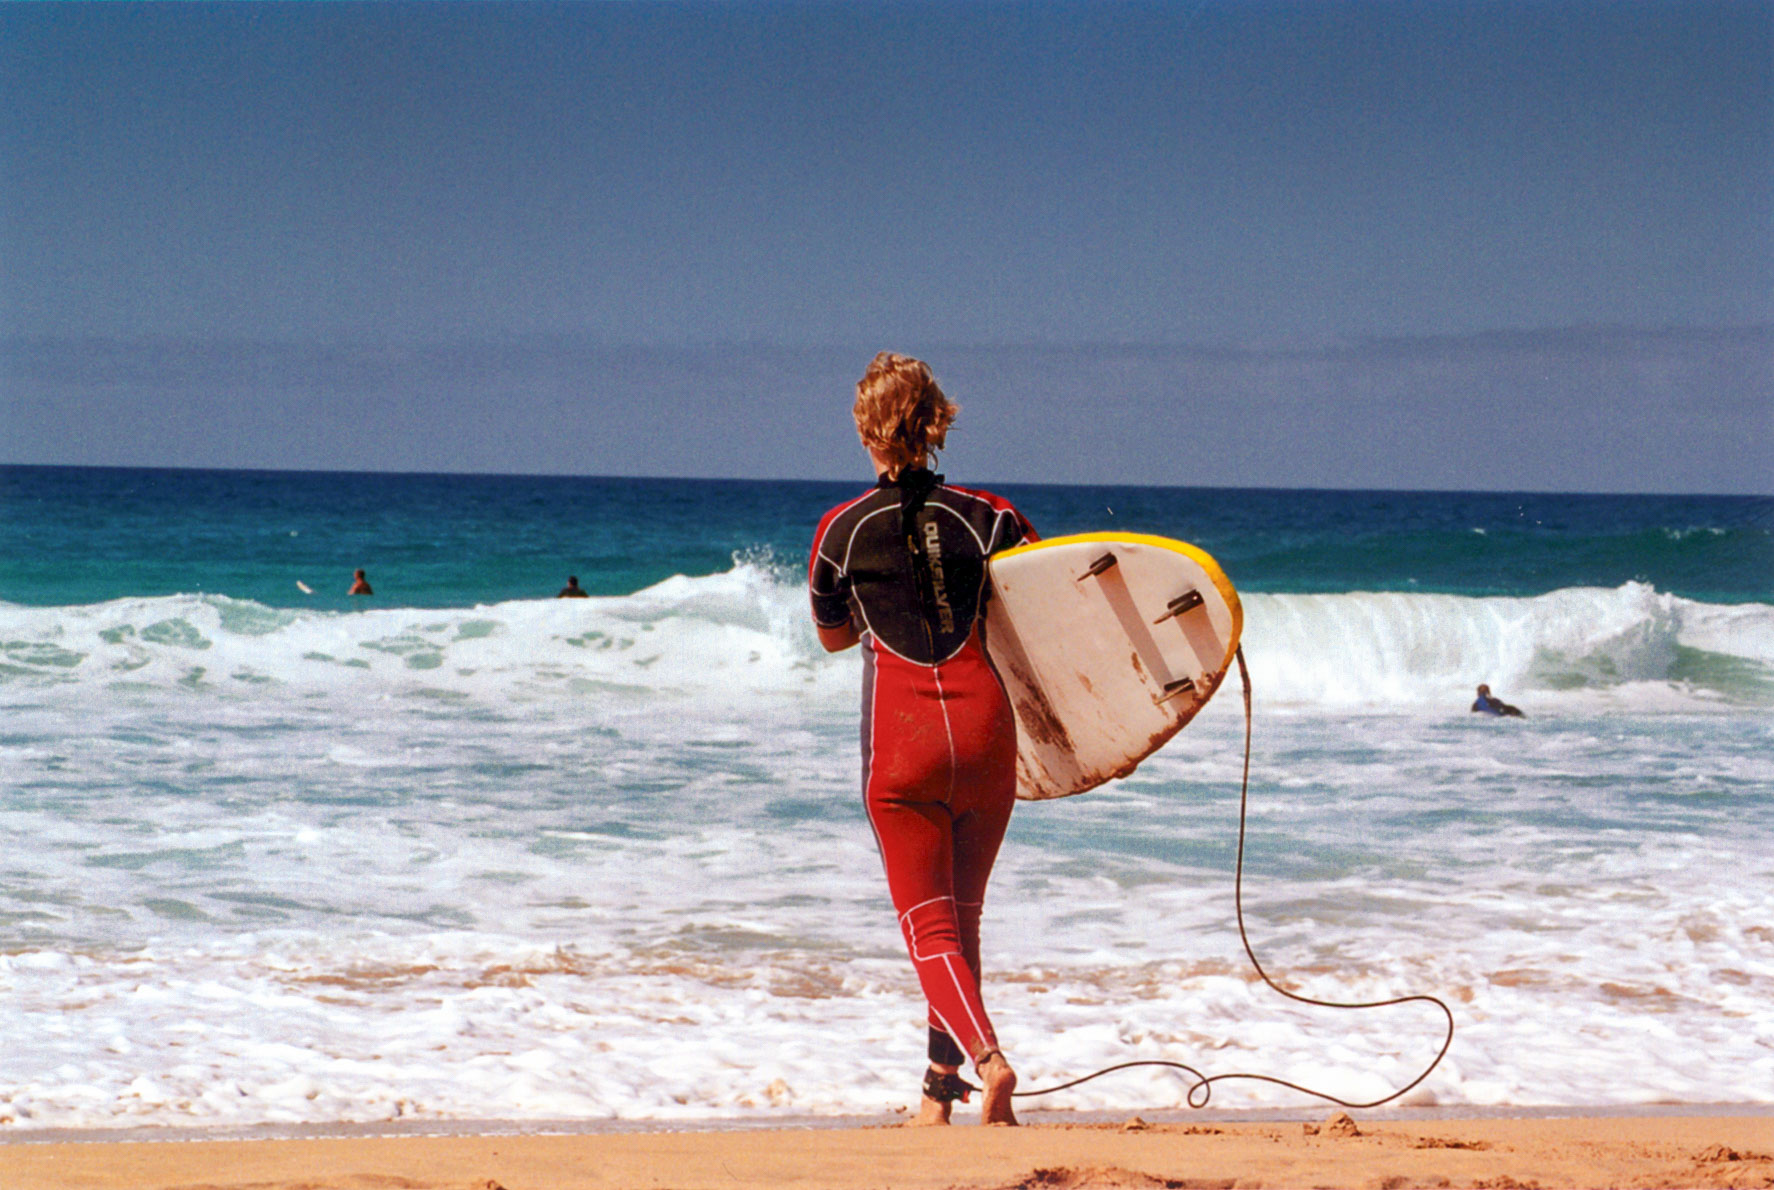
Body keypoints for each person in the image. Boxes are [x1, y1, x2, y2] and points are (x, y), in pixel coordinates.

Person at [808, 352, 1035, 1127]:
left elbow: (835, 638)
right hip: (986, 735)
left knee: (927, 925)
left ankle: (991, 1062)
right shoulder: (996, 516)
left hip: (903, 747)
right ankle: (942, 1096)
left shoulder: (839, 532)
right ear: (938, 419)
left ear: (865, 429)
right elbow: (1048, 617)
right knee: (962, 918)